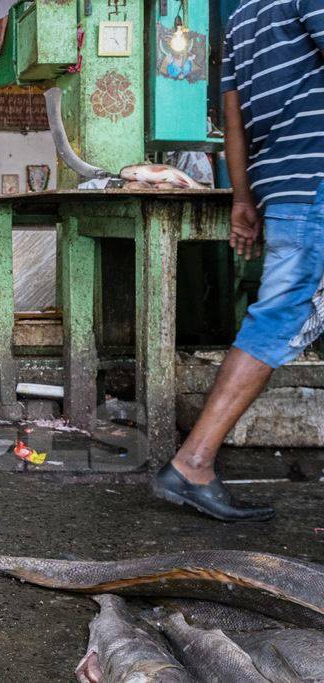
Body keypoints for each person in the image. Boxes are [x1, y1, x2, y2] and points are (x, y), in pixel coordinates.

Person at [151, 0, 324, 522]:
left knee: (282, 312)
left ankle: (192, 462)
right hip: (315, 178)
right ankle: (193, 461)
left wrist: (244, 198)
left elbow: (233, 116)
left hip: (284, 184)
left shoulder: (243, 15)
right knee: (279, 317)